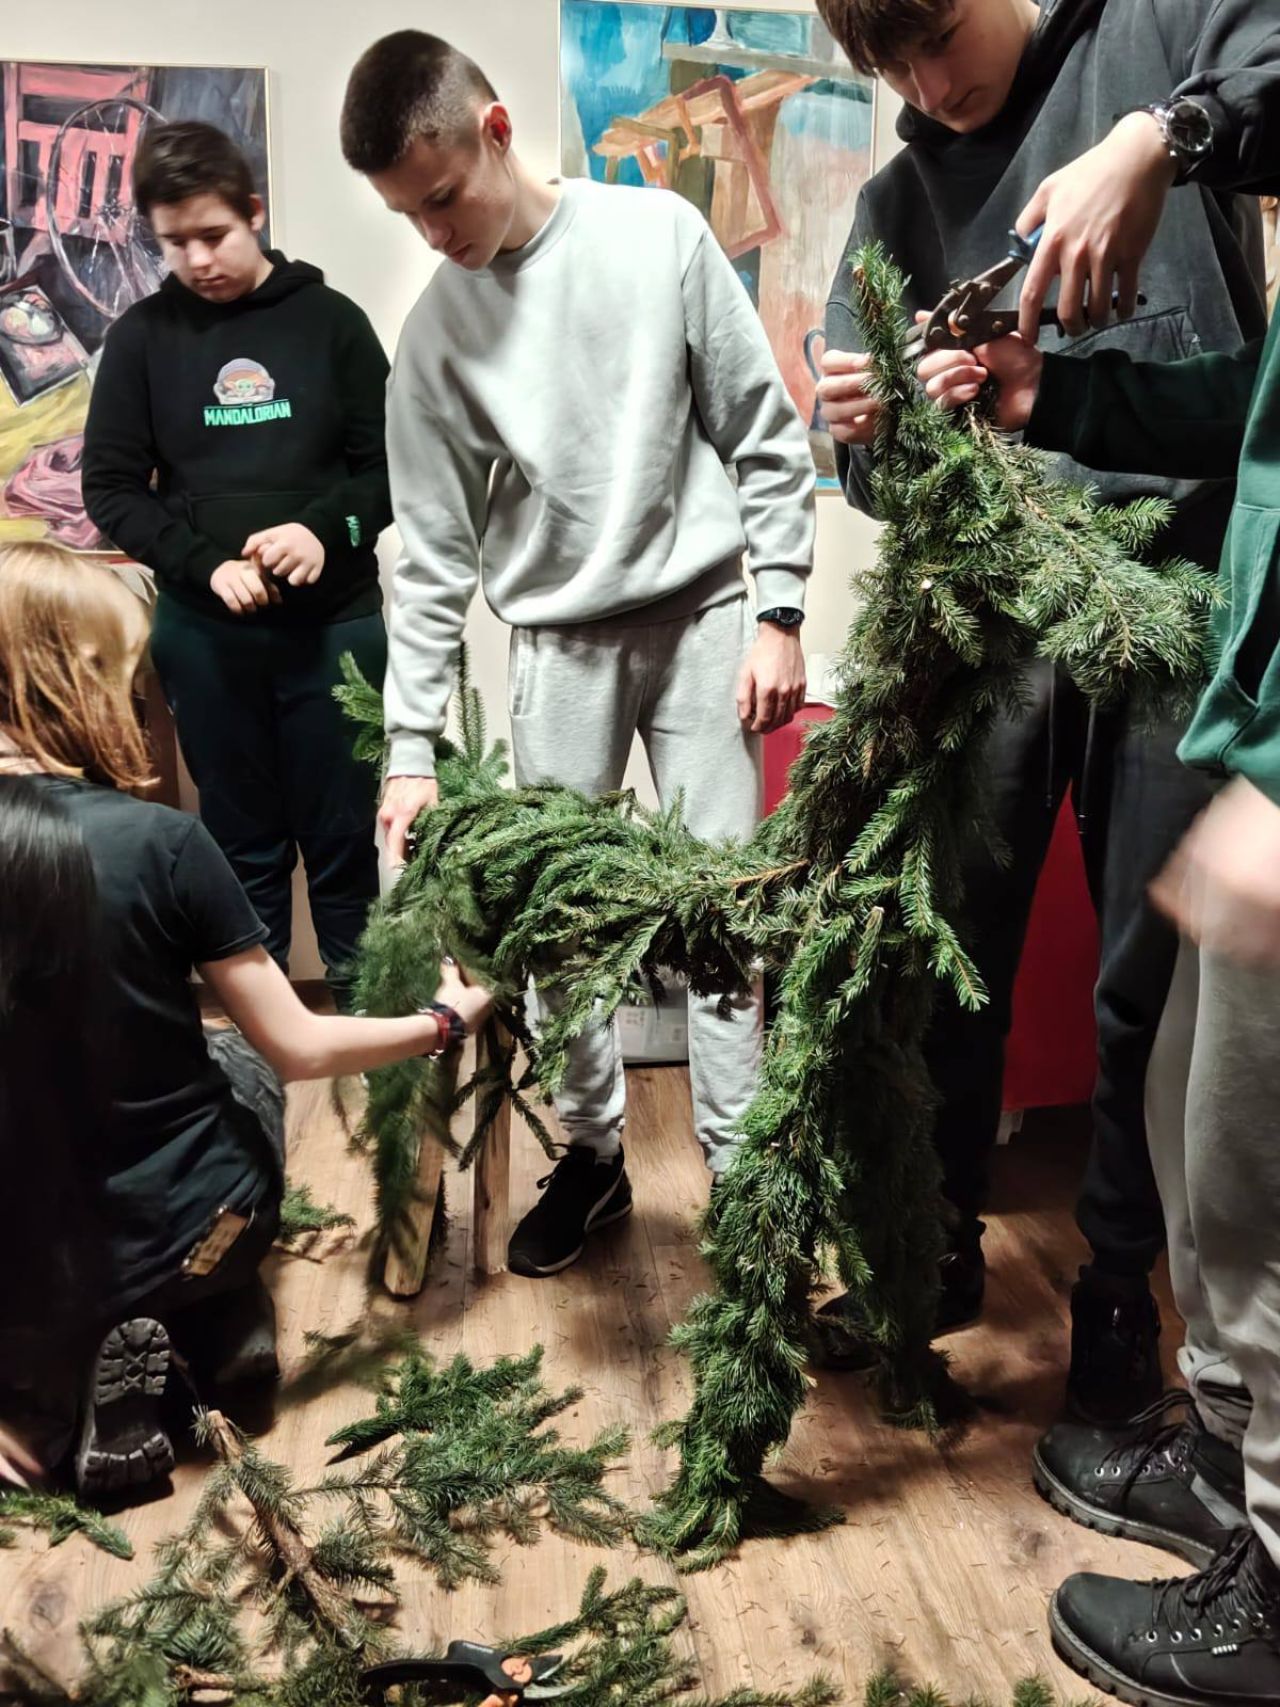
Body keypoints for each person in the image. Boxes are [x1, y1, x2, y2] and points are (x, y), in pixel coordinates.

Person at [813, 0, 1278, 1424]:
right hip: (994, 629)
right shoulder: (896, 203)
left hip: (1176, 596)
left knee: (1148, 985)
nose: (925, 82)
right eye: (887, 64)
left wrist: (1161, 135)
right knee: (948, 951)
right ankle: (932, 1242)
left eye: (936, 37)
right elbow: (868, 472)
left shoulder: (1153, 35)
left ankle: (1121, 1296)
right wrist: (875, 430)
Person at [338, 32, 816, 1278]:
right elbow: (430, 561)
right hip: (557, 636)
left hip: (706, 619)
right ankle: (595, 1156)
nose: (432, 233)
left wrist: (777, 610)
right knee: (557, 928)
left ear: (496, 131)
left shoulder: (656, 237)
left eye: (443, 197)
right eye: (405, 215)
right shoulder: (435, 338)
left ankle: (741, 1176)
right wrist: (409, 750)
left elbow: (760, 429)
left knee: (721, 914)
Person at [916, 250, 1280, 1705]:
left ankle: (1273, 1602)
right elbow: (1253, 401)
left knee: (1258, 1184)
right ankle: (1227, 1468)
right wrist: (1053, 396)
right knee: (1207, 1150)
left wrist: (1154, 141)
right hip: (1251, 746)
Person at [0, 543, 492, 1501]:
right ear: (81, 673)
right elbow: (300, 1046)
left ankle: (63, 1376)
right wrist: (442, 1020)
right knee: (247, 1068)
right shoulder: (163, 842)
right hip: (192, 1232)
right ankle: (217, 1324)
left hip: (22, 1271)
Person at [82, 121, 393, 1009]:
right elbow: (111, 488)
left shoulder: (332, 323)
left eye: (214, 234)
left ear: (254, 212)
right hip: (205, 637)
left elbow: (392, 470)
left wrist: (325, 531)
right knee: (238, 849)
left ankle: (375, 1051)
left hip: (334, 632)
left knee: (343, 845)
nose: (197, 260)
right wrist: (202, 564)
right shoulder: (141, 339)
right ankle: (261, 1058)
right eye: (173, 242)